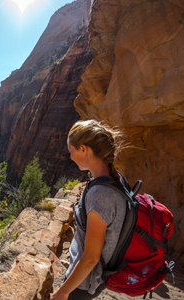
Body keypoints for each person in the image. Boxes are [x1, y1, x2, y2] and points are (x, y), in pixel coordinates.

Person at [51, 120, 127, 300]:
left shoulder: (101, 194)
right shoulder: (116, 180)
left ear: (84, 149)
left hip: (84, 283)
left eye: (71, 151)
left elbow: (91, 258)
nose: (70, 157)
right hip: (92, 278)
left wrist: (63, 292)